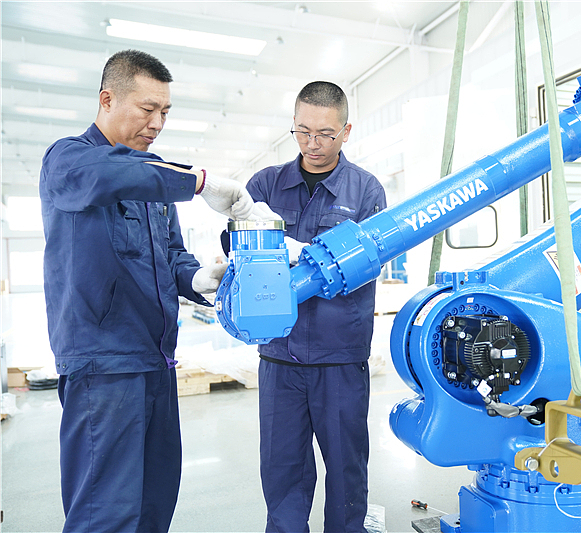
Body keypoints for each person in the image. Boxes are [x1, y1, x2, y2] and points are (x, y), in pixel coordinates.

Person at [39, 49, 255, 533]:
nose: (157, 123)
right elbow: (109, 174)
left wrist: (197, 278)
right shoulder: (68, 159)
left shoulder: (151, 179)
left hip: (156, 362)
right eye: (147, 109)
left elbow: (171, 254)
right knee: (106, 514)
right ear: (107, 99)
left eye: (165, 112)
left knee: (154, 505)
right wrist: (199, 181)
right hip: (103, 367)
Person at [245, 81, 386, 532]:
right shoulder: (265, 185)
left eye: (325, 134)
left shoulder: (365, 191)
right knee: (281, 468)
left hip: (338, 356)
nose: (312, 144)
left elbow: (370, 264)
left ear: (346, 131)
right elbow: (239, 252)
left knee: (346, 470)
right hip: (279, 356)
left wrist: (301, 255)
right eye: (303, 132)